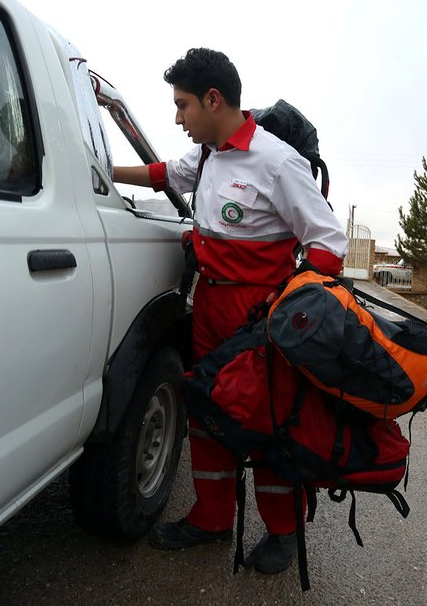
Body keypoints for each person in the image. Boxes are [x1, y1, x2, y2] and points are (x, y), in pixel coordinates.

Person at [113, 48, 348, 574]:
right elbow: (159, 174)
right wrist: (102, 172)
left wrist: (289, 303)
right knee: (206, 412)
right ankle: (212, 516)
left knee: (262, 421)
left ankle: (285, 531)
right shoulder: (207, 155)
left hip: (260, 320)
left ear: (213, 99)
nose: (177, 119)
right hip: (211, 307)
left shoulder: (277, 161)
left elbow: (329, 242)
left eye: (183, 106)